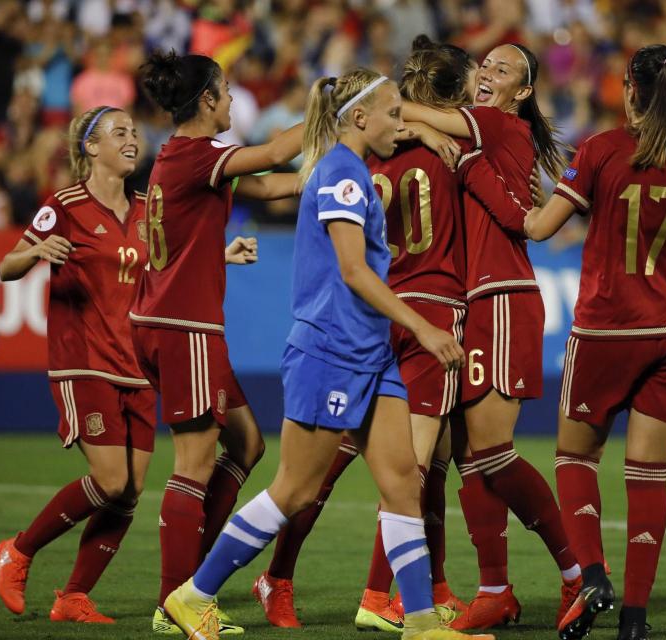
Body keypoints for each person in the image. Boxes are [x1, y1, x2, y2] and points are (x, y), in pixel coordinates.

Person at [162, 66, 492, 640]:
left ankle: (418, 622)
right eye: (393, 114)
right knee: (295, 488)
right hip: (330, 353)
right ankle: (192, 596)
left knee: (400, 482)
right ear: (359, 117)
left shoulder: (349, 169)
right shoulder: (342, 172)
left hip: (370, 356)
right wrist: (426, 328)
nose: (401, 123)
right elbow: (352, 270)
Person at [523, 44, 666, 640]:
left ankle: (592, 574)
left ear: (629, 89)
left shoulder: (600, 151)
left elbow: (540, 228)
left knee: (574, 457)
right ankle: (636, 619)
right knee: (648, 476)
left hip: (606, 328)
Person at [401, 43, 582, 630]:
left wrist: (421, 127)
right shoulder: (487, 136)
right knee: (470, 462)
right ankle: (495, 590)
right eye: (484, 67)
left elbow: (407, 111)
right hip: (472, 302)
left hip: (502, 295)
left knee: (493, 453)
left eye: (501, 71)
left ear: (522, 94)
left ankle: (580, 574)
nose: (485, 75)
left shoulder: (495, 124)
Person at [133, 50, 303, 635]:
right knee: (193, 465)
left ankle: (191, 583)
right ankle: (176, 604)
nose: (232, 101)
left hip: (174, 324)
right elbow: (279, 150)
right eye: (227, 91)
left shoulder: (181, 159)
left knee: (248, 444)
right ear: (206, 100)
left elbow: (277, 180)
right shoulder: (197, 155)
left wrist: (332, 166)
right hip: (185, 330)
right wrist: (337, 108)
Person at [0, 106, 155, 624]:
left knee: (130, 489)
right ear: (91, 147)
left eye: (134, 131)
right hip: (84, 362)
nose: (132, 139)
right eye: (119, 133)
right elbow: (7, 267)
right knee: (109, 480)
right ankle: (18, 551)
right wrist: (38, 249)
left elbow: (171, 263)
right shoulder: (64, 205)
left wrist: (222, 255)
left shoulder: (147, 207)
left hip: (139, 364)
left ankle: (73, 597)